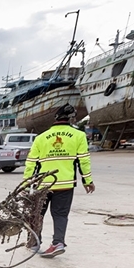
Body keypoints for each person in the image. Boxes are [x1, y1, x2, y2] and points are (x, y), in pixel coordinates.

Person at [23, 103, 95, 258]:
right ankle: (58, 243)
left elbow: (31, 163)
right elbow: (83, 161)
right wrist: (87, 181)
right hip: (65, 184)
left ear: (55, 118)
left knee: (37, 213)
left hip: (42, 185)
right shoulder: (79, 136)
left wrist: (25, 184)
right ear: (71, 118)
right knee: (60, 215)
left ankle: (34, 242)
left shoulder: (41, 138)